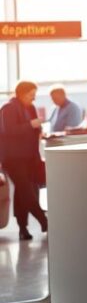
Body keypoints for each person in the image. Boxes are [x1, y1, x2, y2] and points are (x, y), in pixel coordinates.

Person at [0, 81, 48, 241]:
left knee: (23, 193)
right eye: (30, 95)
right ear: (21, 93)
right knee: (26, 191)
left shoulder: (31, 108)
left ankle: (23, 228)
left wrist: (37, 128)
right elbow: (9, 130)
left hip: (29, 157)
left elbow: (33, 130)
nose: (33, 98)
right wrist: (30, 124)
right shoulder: (8, 109)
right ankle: (44, 220)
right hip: (13, 159)